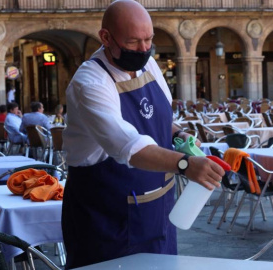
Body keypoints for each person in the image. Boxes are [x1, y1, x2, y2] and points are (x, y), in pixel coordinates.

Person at [61, 1, 224, 268]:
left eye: (149, 39)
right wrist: (185, 164)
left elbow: (157, 121)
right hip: (108, 219)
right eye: (134, 41)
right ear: (106, 37)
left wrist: (179, 135)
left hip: (157, 212)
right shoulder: (90, 83)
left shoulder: (149, 66)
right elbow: (128, 146)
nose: (144, 49)